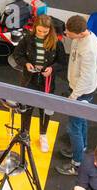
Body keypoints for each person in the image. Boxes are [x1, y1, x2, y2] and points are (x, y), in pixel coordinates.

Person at [10, 15, 67, 153]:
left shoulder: (57, 43)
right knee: (26, 108)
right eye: (39, 31)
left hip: (47, 82)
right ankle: (25, 134)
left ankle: (43, 134)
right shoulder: (27, 39)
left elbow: (62, 62)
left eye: (45, 32)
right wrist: (26, 63)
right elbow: (17, 55)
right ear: (35, 28)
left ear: (50, 30)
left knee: (45, 110)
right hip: (30, 79)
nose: (41, 34)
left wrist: (51, 69)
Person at [55, 14, 97, 174]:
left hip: (82, 92)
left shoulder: (89, 49)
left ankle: (77, 163)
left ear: (81, 33)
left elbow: (86, 78)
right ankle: (80, 150)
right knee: (81, 122)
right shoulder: (81, 37)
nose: (66, 34)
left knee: (74, 127)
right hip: (78, 88)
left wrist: (73, 97)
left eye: (70, 33)